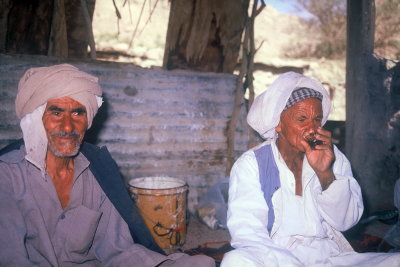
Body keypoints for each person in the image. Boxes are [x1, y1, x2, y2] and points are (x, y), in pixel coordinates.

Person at [0, 64, 215, 267]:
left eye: (78, 113)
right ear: (37, 119)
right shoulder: (7, 175)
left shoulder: (96, 170)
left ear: (88, 119)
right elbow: (10, 259)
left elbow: (117, 249)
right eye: (56, 113)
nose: (68, 126)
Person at [221, 72, 400, 266]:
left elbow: (346, 222)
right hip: (275, 258)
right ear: (278, 124)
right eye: (302, 119)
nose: (312, 128)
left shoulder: (332, 156)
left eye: (317, 119)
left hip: (329, 257)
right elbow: (248, 233)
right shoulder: (251, 164)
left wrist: (326, 174)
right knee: (235, 261)